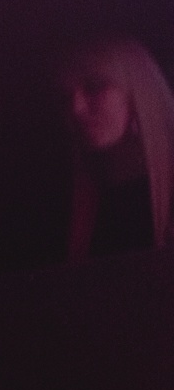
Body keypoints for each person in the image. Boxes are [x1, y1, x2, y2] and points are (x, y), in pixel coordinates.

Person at [60, 37, 174, 261]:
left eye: (94, 87)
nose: (76, 108)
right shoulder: (74, 196)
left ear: (139, 92)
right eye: (65, 96)